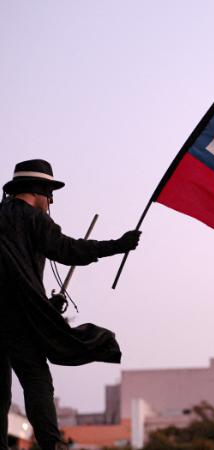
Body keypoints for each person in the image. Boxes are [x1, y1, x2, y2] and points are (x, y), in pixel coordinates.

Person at [0, 159, 141, 450]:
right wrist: (118, 244)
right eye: (50, 192)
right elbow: (69, 249)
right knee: (37, 381)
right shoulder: (34, 219)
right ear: (38, 190)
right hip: (17, 319)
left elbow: (16, 275)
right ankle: (52, 445)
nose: (51, 200)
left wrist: (44, 302)